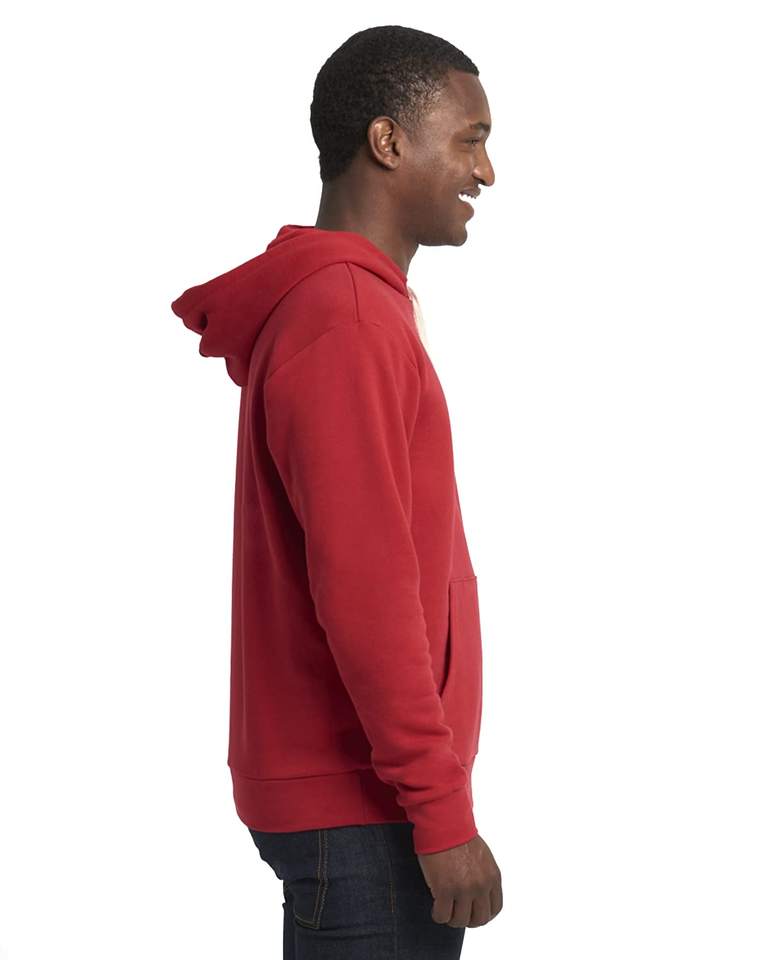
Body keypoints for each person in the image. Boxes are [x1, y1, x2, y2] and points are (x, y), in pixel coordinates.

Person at [171, 23, 501, 959]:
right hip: (365, 803)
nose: (486, 172)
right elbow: (366, 591)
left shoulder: (348, 308)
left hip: (362, 792)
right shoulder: (347, 319)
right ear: (388, 141)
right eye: (470, 140)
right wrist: (440, 810)